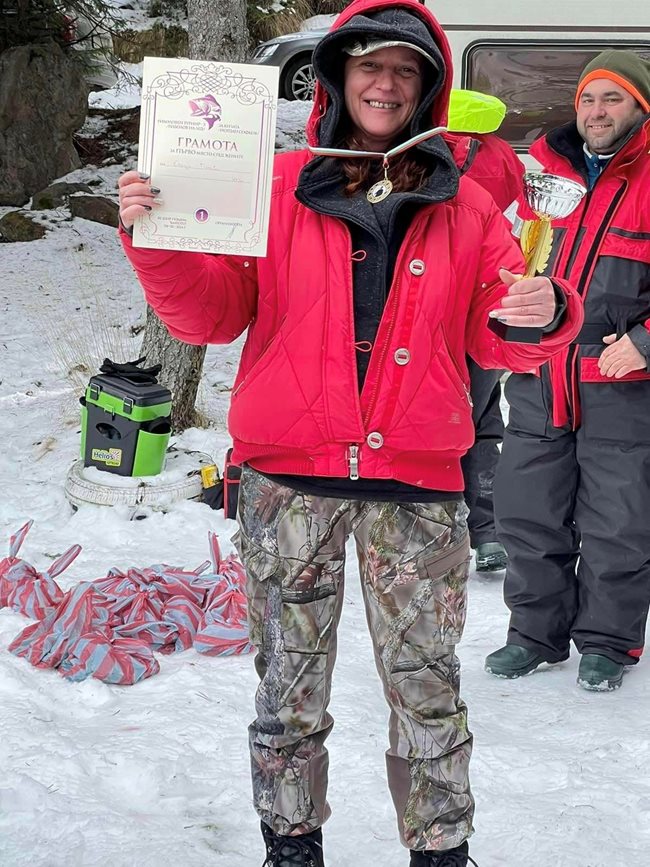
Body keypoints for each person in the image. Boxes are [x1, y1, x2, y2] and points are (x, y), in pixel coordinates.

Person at [117, 2, 582, 863]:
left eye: (406, 70)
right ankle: (291, 843)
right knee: (288, 691)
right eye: (369, 64)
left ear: (428, 88)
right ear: (337, 76)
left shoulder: (469, 202)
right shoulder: (279, 181)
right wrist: (160, 244)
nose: (385, 82)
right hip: (286, 482)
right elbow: (212, 317)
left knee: (428, 689)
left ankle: (440, 848)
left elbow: (497, 331)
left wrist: (542, 311)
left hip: (418, 488)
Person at [485, 49, 650, 692]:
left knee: (619, 519)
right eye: (588, 98)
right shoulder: (547, 176)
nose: (596, 111)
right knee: (529, 511)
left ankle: (608, 641)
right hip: (542, 372)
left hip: (621, 380)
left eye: (611, 99)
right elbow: (514, 265)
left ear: (639, 107)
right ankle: (535, 634)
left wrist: (643, 343)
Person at [445, 90, 526, 573]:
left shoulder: (434, 149)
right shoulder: (499, 155)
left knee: (441, 422)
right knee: (482, 420)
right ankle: (488, 531)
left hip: (441, 305)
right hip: (493, 300)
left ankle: (444, 530)